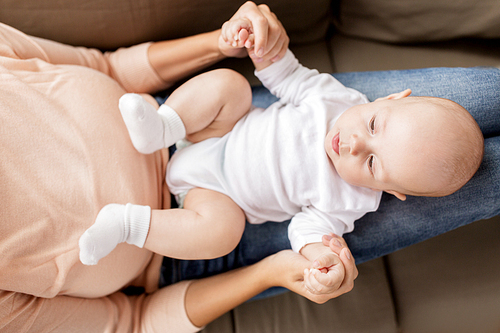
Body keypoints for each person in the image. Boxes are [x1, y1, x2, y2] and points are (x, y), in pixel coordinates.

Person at [0, 3, 359, 332]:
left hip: (196, 122)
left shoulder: (351, 117)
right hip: (187, 231)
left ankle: (158, 128)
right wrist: (271, 273)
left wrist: (228, 41)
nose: (360, 145)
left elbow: (106, 67)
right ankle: (126, 223)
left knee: (233, 87)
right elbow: (136, 323)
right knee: (227, 231)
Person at [78, 16, 484, 299]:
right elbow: (286, 76)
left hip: (213, 195)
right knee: (231, 87)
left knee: (223, 233)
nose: (357, 144)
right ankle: (162, 126)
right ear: (391, 97)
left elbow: (307, 228)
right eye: (375, 125)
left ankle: (125, 223)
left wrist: (320, 255)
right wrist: (262, 46)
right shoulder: (335, 98)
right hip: (210, 133)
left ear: (391, 192)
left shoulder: (350, 201)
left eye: (374, 165)